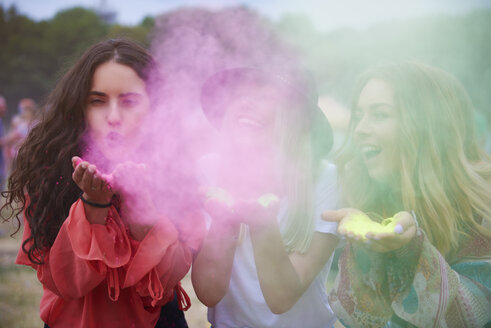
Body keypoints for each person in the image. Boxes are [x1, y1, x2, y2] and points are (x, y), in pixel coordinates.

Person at [1, 39, 204, 328]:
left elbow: (166, 279)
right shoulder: (50, 174)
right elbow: (67, 284)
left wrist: (141, 208)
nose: (113, 117)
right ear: (79, 108)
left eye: (129, 101)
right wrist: (93, 206)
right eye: (97, 101)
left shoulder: (176, 172)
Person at [323, 62, 491, 327]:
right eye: (358, 116)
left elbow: (474, 315)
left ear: (428, 126)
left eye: (379, 115)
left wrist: (410, 250)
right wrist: (372, 250)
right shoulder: (373, 197)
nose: (359, 129)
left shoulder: (483, 205)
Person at [191, 67, 340, 327]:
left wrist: (261, 223)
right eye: (239, 93)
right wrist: (223, 222)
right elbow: (208, 293)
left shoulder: (326, 178)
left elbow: (281, 298)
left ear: (294, 117)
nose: (246, 101)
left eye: (264, 95)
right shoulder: (209, 169)